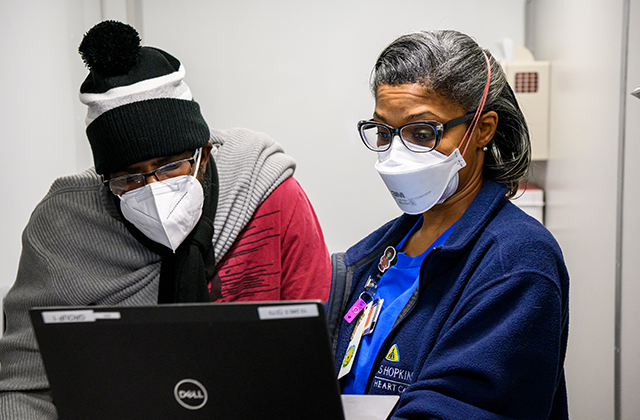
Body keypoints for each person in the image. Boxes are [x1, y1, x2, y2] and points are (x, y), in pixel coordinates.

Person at [0, 20, 331, 419]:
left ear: (203, 154)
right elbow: (23, 390)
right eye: (130, 177)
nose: (153, 187)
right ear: (105, 180)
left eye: (170, 166)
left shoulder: (271, 198)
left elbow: (313, 365)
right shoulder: (62, 231)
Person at [325, 30, 569, 419]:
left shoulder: (516, 261)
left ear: (483, 129)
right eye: (384, 132)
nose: (397, 153)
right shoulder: (375, 254)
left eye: (422, 133)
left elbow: (466, 407)